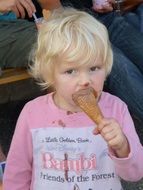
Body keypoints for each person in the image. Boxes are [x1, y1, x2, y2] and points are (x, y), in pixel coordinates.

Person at [3, 8, 143, 190]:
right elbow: (17, 174)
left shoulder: (116, 110)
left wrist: (123, 146)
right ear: (50, 74)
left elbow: (136, 173)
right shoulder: (32, 114)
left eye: (94, 68)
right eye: (70, 71)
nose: (85, 81)